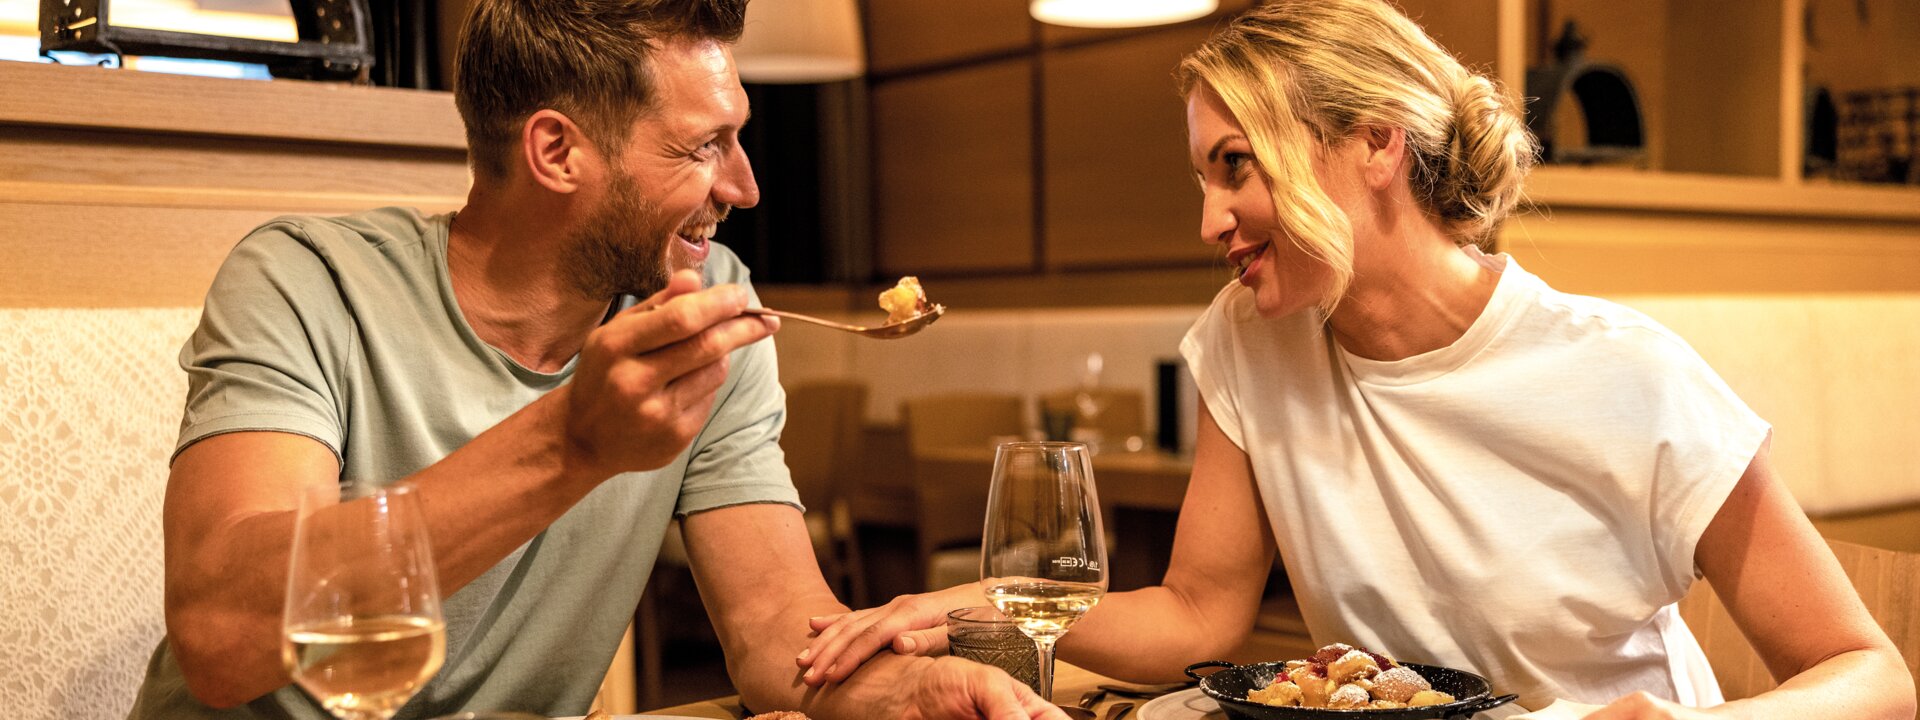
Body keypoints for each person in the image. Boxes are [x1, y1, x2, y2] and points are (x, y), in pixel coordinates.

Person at [796, 2, 1917, 718]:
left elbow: (1873, 676)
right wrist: (983, 603)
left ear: (1377, 142)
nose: (1210, 220)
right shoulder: (1253, 339)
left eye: (1238, 167)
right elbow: (1196, 616)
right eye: (1202, 178)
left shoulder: (1627, 375)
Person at [126, 1, 1066, 718]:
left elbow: (779, 630)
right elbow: (221, 634)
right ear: (556, 151)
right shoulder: (306, 280)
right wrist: (575, 443)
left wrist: (919, 693)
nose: (744, 184)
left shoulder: (705, 307)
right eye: (704, 146)